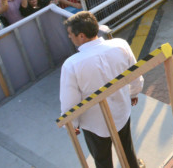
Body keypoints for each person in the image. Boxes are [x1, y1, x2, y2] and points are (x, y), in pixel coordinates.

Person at [60, 12, 144, 168]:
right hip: (121, 112)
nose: (69, 37)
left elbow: (69, 102)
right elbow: (136, 75)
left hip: (94, 123)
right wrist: (133, 93)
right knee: (127, 150)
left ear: (82, 36)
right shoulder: (120, 45)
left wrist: (72, 124)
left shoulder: (71, 65)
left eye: (70, 34)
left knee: (102, 160)